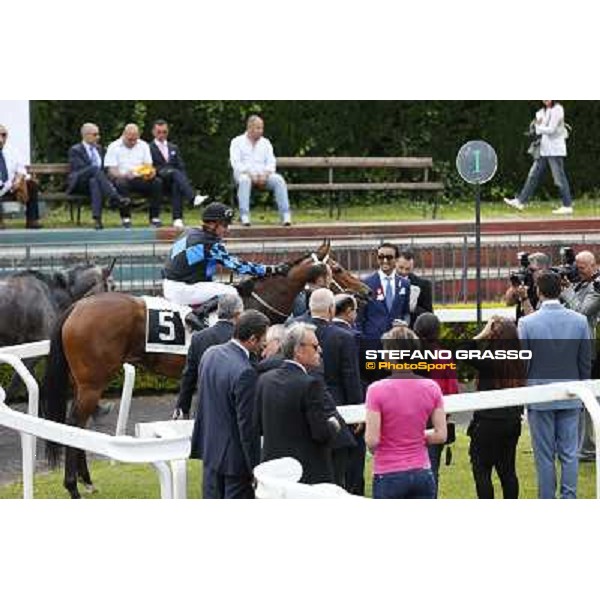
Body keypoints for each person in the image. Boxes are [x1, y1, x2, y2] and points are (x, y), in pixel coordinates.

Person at [518, 270, 592, 499]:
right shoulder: (579, 321)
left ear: (538, 292)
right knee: (570, 453)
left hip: (539, 396)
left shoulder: (527, 323)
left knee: (544, 455)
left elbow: (524, 362)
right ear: (560, 290)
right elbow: (585, 361)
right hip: (571, 395)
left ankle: (547, 499)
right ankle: (569, 498)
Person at [162, 201, 288, 329]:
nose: (227, 229)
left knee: (221, 286)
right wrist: (270, 269)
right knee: (230, 291)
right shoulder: (209, 243)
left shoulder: (191, 232)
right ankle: (197, 314)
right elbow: (238, 266)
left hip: (172, 284)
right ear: (212, 224)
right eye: (224, 225)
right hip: (182, 290)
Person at [190, 309, 270, 499]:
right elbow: (247, 428)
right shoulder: (245, 372)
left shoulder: (210, 354)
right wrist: (254, 469)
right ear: (252, 339)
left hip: (210, 453)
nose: (265, 343)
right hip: (235, 463)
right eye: (263, 338)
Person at [365, 325, 447, 499]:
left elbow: (372, 440)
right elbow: (441, 435)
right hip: (422, 471)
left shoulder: (376, 390)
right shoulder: (432, 387)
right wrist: (415, 436)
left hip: (388, 472)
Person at [256, 323, 340, 484]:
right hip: (306, 473)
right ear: (298, 350)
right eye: (315, 346)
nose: (320, 351)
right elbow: (320, 433)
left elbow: (258, 425)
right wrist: (333, 425)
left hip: (273, 470)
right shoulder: (309, 384)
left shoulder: (264, 380)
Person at [457, 316, 525, 499]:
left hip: (487, 423)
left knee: (482, 469)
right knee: (508, 471)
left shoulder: (489, 360)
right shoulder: (519, 360)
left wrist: (482, 334)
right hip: (511, 422)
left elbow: (460, 351)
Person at [306, 288, 361, 489]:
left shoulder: (292, 330)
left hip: (302, 405)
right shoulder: (343, 337)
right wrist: (358, 411)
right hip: (337, 408)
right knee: (340, 471)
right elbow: (351, 377)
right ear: (331, 310)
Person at [173, 294, 244, 419]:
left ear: (218, 312)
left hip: (203, 409)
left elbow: (189, 376)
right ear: (238, 314)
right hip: (234, 410)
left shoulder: (198, 338)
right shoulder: (244, 338)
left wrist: (182, 408)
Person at [560, 250, 600, 461]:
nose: (578, 271)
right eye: (576, 267)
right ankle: (582, 445)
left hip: (592, 351)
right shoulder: (581, 283)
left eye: (582, 267)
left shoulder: (597, 285)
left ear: (594, 265)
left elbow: (581, 313)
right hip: (578, 349)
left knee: (589, 399)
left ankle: (587, 448)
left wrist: (567, 292)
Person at [413, 313, 458, 497]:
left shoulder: (408, 356)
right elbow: (452, 390)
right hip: (435, 418)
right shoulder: (444, 356)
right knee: (432, 468)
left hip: (410, 417)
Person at [504, 101, 573, 215]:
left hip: (555, 151)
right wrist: (537, 126)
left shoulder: (558, 109)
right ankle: (521, 202)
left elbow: (551, 130)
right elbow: (539, 125)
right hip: (544, 150)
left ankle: (567, 205)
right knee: (533, 175)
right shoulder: (541, 112)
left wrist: (538, 127)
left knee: (559, 178)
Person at [357, 243, 410, 383]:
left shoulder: (404, 284)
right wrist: (363, 343)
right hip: (372, 344)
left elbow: (406, 312)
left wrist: (405, 324)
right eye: (381, 257)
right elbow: (360, 318)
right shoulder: (366, 284)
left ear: (396, 259)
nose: (385, 261)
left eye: (389, 257)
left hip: (395, 346)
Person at [229, 114, 291, 227]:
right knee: (244, 181)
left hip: (263, 176)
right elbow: (236, 163)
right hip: (244, 175)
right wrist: (250, 174)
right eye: (258, 128)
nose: (261, 131)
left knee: (279, 180)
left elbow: (271, 162)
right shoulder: (236, 142)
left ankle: (285, 215)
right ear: (249, 128)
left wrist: (266, 174)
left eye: (262, 128)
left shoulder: (266, 143)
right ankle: (244, 216)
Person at [67, 122, 131, 230]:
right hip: (80, 183)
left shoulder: (99, 149)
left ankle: (97, 220)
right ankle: (114, 197)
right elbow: (79, 169)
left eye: (98, 134)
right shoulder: (75, 150)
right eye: (95, 134)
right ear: (86, 135)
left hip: (95, 183)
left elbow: (104, 170)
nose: (98, 137)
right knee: (94, 169)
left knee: (94, 182)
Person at [333, 293, 366, 495]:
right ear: (348, 312)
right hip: (351, 407)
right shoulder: (353, 337)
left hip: (327, 405)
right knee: (354, 462)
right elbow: (355, 375)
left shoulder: (320, 332)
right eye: (355, 310)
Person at [149, 119, 209, 229]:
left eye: (164, 132)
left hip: (173, 178)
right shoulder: (149, 148)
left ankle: (177, 218)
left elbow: (181, 166)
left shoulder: (173, 147)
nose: (162, 135)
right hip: (157, 177)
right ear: (153, 132)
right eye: (159, 132)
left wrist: (183, 180)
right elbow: (149, 165)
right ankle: (192, 197)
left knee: (177, 183)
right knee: (175, 173)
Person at [104, 123, 163, 228]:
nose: (132, 142)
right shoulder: (113, 146)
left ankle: (154, 218)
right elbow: (111, 170)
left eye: (135, 139)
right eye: (130, 139)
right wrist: (124, 175)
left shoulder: (143, 145)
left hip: (140, 177)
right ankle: (126, 218)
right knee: (121, 183)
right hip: (122, 177)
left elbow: (148, 165)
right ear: (124, 135)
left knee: (157, 182)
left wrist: (150, 172)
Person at [0, 123, 42, 229]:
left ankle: (32, 220)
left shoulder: (12, 151)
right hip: (1, 186)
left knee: (32, 185)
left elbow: (21, 169)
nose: (1, 138)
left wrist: (18, 180)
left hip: (12, 186)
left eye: (4, 135)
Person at [504, 252, 550, 320]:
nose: (529, 273)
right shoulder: (526, 283)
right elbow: (509, 302)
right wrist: (514, 287)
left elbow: (535, 319)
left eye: (532, 270)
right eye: (528, 270)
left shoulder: (549, 287)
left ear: (544, 269)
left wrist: (525, 298)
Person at [396, 247, 433, 327]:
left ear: (412, 267)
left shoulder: (423, 285)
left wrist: (413, 308)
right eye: (401, 268)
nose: (404, 272)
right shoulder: (384, 282)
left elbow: (429, 316)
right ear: (395, 263)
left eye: (408, 269)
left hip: (411, 333)